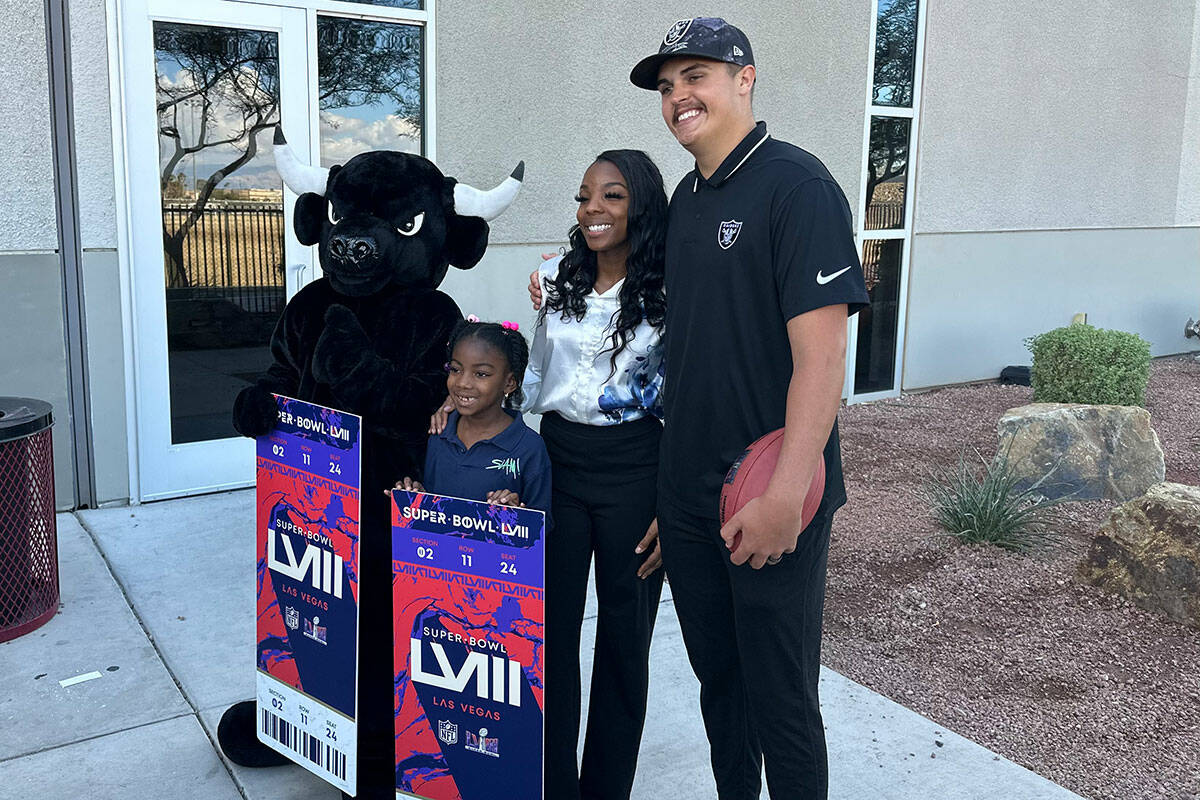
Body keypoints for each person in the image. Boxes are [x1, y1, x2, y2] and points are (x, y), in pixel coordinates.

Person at [630, 17, 870, 800]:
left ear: (745, 78)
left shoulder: (797, 187)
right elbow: (692, 352)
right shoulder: (689, 200)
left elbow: (823, 360)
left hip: (773, 494)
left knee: (780, 698)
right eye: (667, 87)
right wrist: (677, 491)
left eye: (695, 76)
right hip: (691, 498)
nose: (677, 98)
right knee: (720, 689)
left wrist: (784, 498)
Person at [457, 149, 670, 799]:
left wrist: (675, 497)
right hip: (560, 466)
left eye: (611, 196)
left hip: (637, 469)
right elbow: (532, 375)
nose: (593, 210)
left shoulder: (671, 290)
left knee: (622, 646)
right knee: (545, 635)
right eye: (584, 197)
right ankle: (551, 787)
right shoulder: (555, 277)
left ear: (640, 205)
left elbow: (689, 395)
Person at [395, 318, 551, 516]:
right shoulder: (439, 432)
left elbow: (541, 528)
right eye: (455, 370)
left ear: (510, 383)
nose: (463, 383)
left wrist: (515, 515)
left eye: (481, 374)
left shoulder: (529, 448)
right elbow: (434, 509)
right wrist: (416, 500)